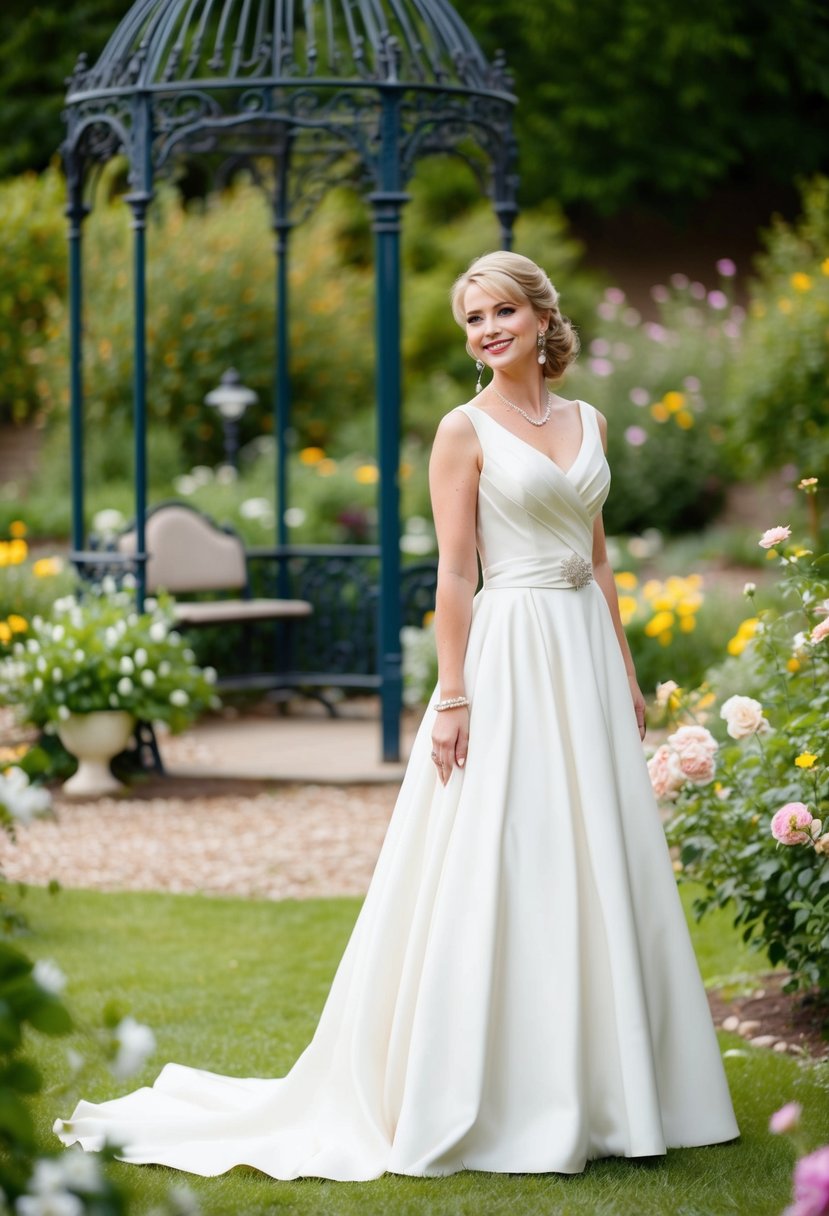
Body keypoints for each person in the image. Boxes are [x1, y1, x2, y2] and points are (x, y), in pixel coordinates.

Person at [55, 251, 738, 1179]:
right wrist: (451, 696)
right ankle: (503, 1091)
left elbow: (600, 556)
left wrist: (622, 664)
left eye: (502, 310)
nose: (487, 329)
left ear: (540, 317)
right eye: (472, 319)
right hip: (511, 649)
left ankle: (619, 1086)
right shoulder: (463, 431)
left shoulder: (587, 420)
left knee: (598, 850)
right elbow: (456, 574)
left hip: (579, 646)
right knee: (511, 846)